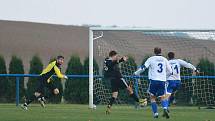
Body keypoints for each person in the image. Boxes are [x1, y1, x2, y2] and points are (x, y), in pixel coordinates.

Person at [134, 47, 172, 119]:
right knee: (163, 97)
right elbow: (170, 71)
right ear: (161, 52)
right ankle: (164, 109)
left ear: (154, 52)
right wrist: (165, 77)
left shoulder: (151, 59)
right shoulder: (165, 59)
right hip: (162, 81)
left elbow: (143, 67)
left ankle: (156, 113)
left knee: (152, 97)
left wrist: (136, 73)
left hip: (154, 80)